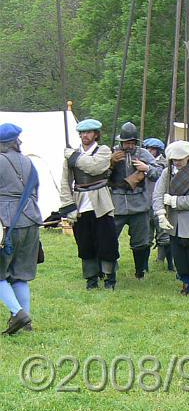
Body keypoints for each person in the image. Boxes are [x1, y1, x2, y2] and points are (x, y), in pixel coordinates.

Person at [59, 119, 120, 290]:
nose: (84, 136)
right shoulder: (71, 154)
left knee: (107, 243)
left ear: (96, 134)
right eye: (82, 133)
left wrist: (73, 157)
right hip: (80, 204)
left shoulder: (103, 151)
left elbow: (95, 168)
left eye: (88, 132)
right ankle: (91, 279)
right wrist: (68, 205)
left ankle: (109, 278)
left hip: (101, 203)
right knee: (85, 244)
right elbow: (65, 182)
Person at [152, 140, 189, 295]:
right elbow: (158, 193)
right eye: (174, 160)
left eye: (180, 159)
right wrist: (160, 213)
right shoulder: (167, 172)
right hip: (174, 222)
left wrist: (174, 201)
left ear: (188, 157)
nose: (177, 162)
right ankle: (187, 285)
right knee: (180, 257)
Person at [0, 123, 41, 334]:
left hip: (6, 224)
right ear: (15, 142)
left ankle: (18, 313)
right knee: (20, 275)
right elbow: (36, 192)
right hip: (32, 220)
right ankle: (26, 325)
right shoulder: (29, 162)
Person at [109, 122, 161, 279]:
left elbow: (159, 172)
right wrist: (110, 163)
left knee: (141, 241)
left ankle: (140, 271)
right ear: (121, 142)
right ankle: (109, 268)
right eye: (126, 142)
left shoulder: (143, 154)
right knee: (109, 239)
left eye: (132, 142)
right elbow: (99, 175)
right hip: (116, 204)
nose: (129, 145)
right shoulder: (112, 153)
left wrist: (147, 168)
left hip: (139, 204)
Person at [143, 138, 173, 271]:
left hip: (160, 202)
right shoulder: (141, 161)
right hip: (145, 202)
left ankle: (167, 263)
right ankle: (144, 266)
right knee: (146, 237)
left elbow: (159, 175)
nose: (150, 151)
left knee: (164, 235)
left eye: (152, 149)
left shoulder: (165, 163)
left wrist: (147, 169)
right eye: (148, 149)